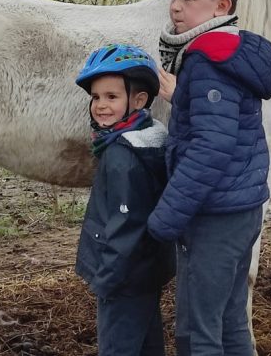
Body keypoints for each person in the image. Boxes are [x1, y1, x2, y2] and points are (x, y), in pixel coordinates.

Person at [147, 0, 271, 356]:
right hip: (241, 209)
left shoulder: (206, 61)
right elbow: (222, 121)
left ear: (222, 6)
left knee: (198, 331)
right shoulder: (231, 53)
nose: (175, 7)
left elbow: (211, 148)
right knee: (231, 321)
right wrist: (182, 96)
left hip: (214, 218)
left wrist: (165, 218)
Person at [74, 43, 174, 356]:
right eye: (96, 97)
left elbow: (126, 225)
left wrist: (106, 279)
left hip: (123, 278)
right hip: (146, 271)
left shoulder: (122, 155)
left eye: (112, 97)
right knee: (147, 345)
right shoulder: (151, 141)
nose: (101, 105)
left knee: (118, 347)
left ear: (139, 100)